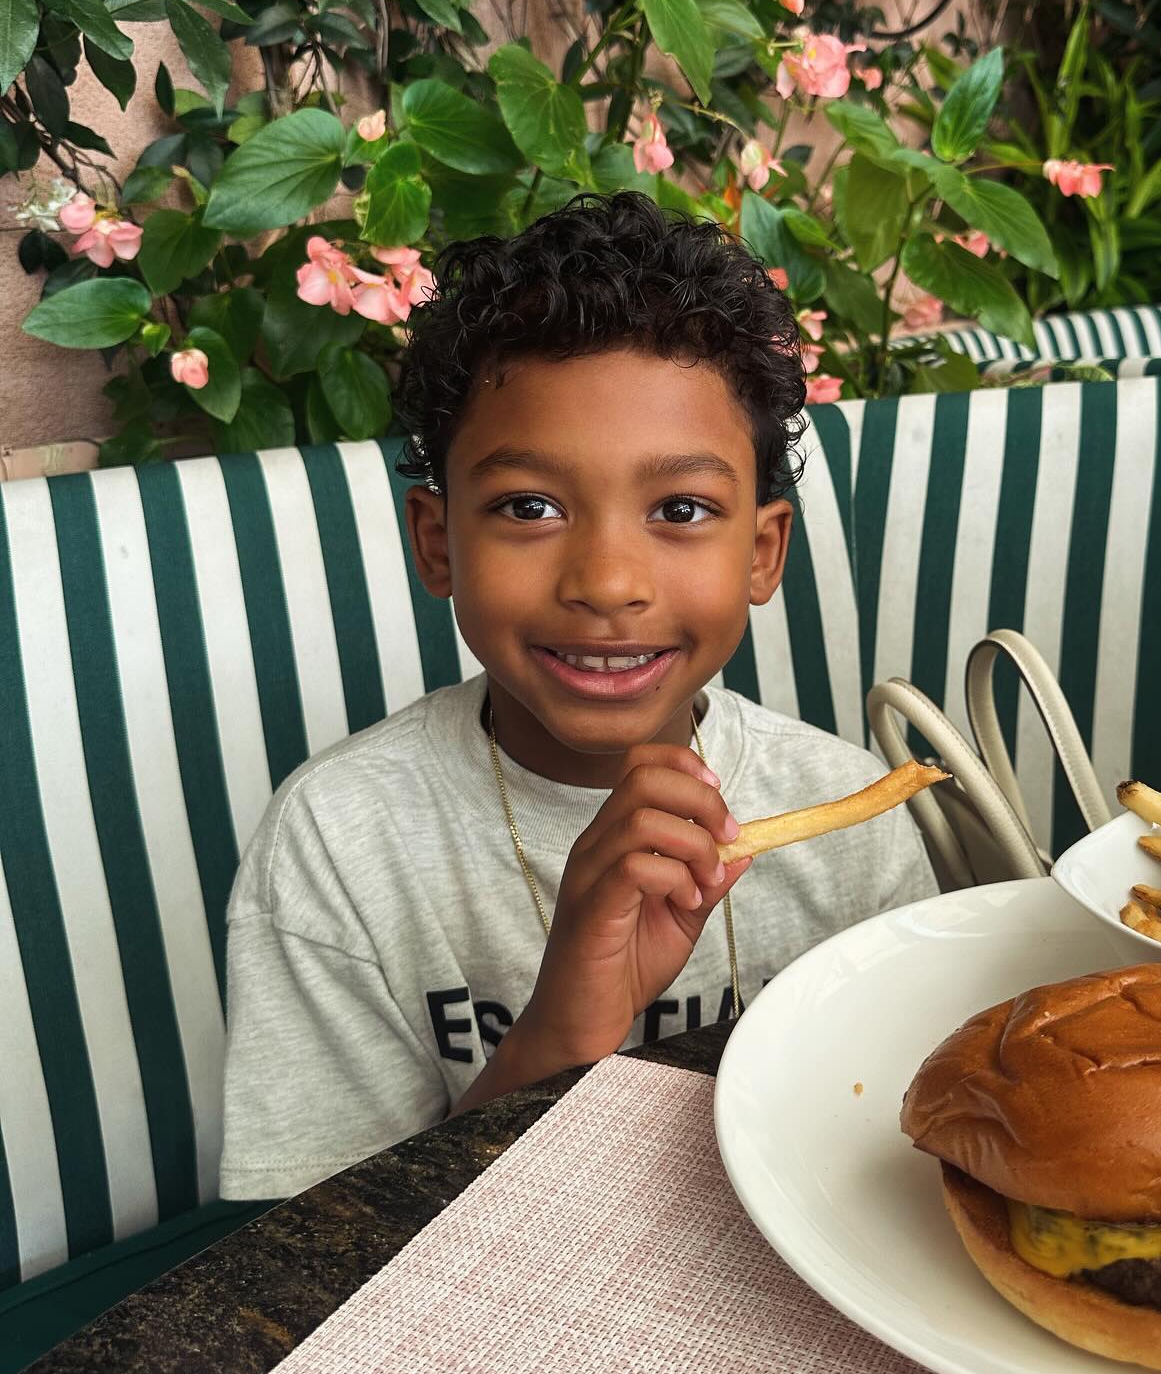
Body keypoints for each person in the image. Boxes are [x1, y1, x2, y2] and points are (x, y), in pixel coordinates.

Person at [218, 193, 938, 1201]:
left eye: (681, 509)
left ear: (763, 552)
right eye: (529, 507)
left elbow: (910, 1159)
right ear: (438, 541)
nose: (606, 580)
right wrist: (563, 1025)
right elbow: (306, 1270)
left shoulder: (849, 825)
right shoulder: (340, 843)